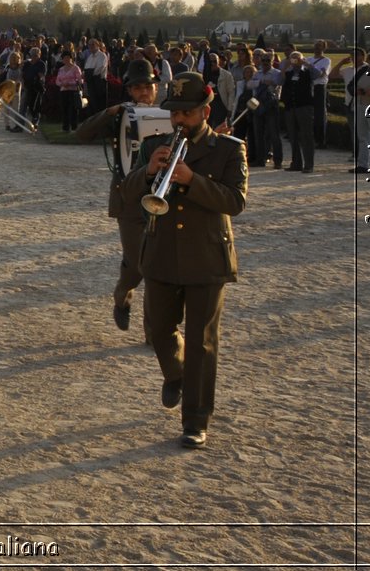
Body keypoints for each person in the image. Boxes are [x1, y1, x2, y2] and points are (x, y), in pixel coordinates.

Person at [121, 72, 247, 449]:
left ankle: (195, 420)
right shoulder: (154, 146)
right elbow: (128, 195)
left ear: (205, 112)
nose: (178, 121)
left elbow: (235, 202)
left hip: (207, 256)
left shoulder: (229, 149)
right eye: (174, 113)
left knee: (202, 342)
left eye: (187, 114)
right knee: (159, 330)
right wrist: (148, 172)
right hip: (161, 255)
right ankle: (175, 373)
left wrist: (192, 179)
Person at [73, 60, 159, 335]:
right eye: (138, 88)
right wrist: (110, 112)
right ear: (130, 91)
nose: (144, 92)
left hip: (162, 197)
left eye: (149, 86)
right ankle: (123, 294)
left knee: (158, 269)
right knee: (137, 264)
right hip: (130, 201)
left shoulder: (168, 114)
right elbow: (82, 133)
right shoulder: (122, 115)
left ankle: (155, 332)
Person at [279, 50, 318, 173]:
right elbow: (280, 82)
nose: (295, 60)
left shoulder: (307, 72)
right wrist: (284, 68)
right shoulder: (289, 73)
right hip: (290, 107)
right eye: (293, 58)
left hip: (304, 107)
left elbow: (318, 74)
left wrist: (306, 64)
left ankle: (309, 164)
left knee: (306, 136)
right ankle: (296, 163)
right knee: (293, 136)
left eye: (297, 58)